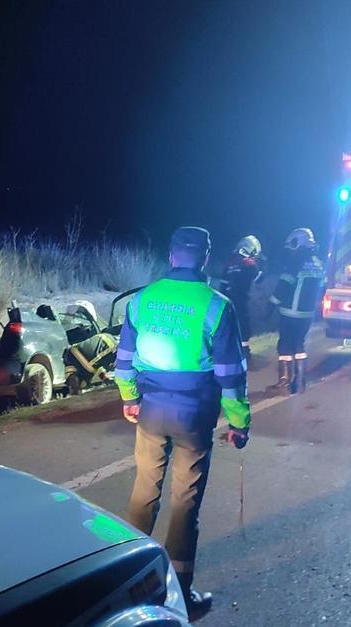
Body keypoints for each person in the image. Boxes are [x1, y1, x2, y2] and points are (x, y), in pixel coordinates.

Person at [115, 226, 250, 621]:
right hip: (195, 414)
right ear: (204, 258)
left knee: (144, 493)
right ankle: (179, 595)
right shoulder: (217, 305)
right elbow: (230, 374)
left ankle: (127, 581)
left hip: (151, 409)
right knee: (185, 503)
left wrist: (129, 399)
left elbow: (124, 361)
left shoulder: (142, 299)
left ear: (171, 255)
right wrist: (239, 423)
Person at [268, 227, 325, 393]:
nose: (290, 251)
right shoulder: (319, 264)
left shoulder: (296, 263)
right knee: (299, 345)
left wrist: (270, 306)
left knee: (285, 346)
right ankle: (300, 381)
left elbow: (283, 287)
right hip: (307, 314)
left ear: (298, 244)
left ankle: (283, 383)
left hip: (289, 312)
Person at [221, 235, 265, 357]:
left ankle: (227, 350)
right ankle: (244, 353)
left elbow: (223, 283)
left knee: (227, 325)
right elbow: (259, 279)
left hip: (226, 299)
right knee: (243, 325)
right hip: (241, 299)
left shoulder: (229, 262)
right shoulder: (249, 263)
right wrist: (259, 265)